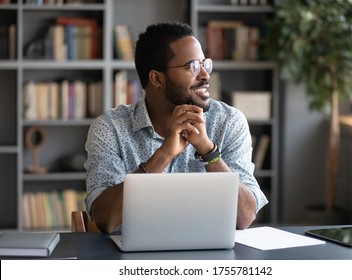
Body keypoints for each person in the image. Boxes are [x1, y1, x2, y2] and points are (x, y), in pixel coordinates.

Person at [84, 21, 268, 233]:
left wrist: (209, 152)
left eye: (204, 64)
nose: (205, 75)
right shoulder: (111, 128)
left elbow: (244, 217)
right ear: (157, 79)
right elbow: (105, 219)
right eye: (192, 67)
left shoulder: (229, 121)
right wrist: (163, 155)